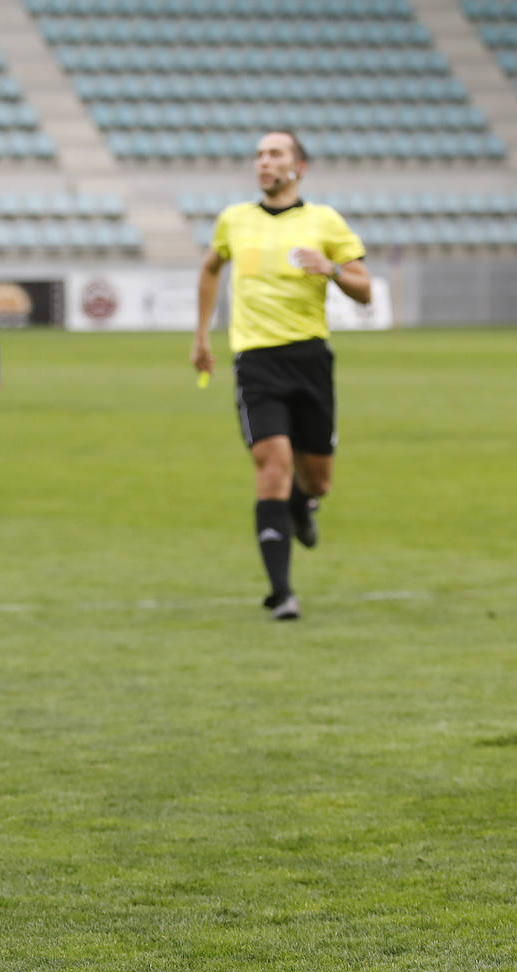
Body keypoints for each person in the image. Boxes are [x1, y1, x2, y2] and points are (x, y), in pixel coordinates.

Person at [190, 130, 371, 621]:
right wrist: (203, 334)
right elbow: (210, 269)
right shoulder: (234, 220)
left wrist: (331, 269)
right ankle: (281, 593)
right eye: (259, 155)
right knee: (272, 466)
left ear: (299, 167)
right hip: (255, 360)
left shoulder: (325, 221)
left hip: (310, 357)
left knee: (318, 480)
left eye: (274, 154)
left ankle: (302, 505)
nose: (263, 162)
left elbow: (365, 289)